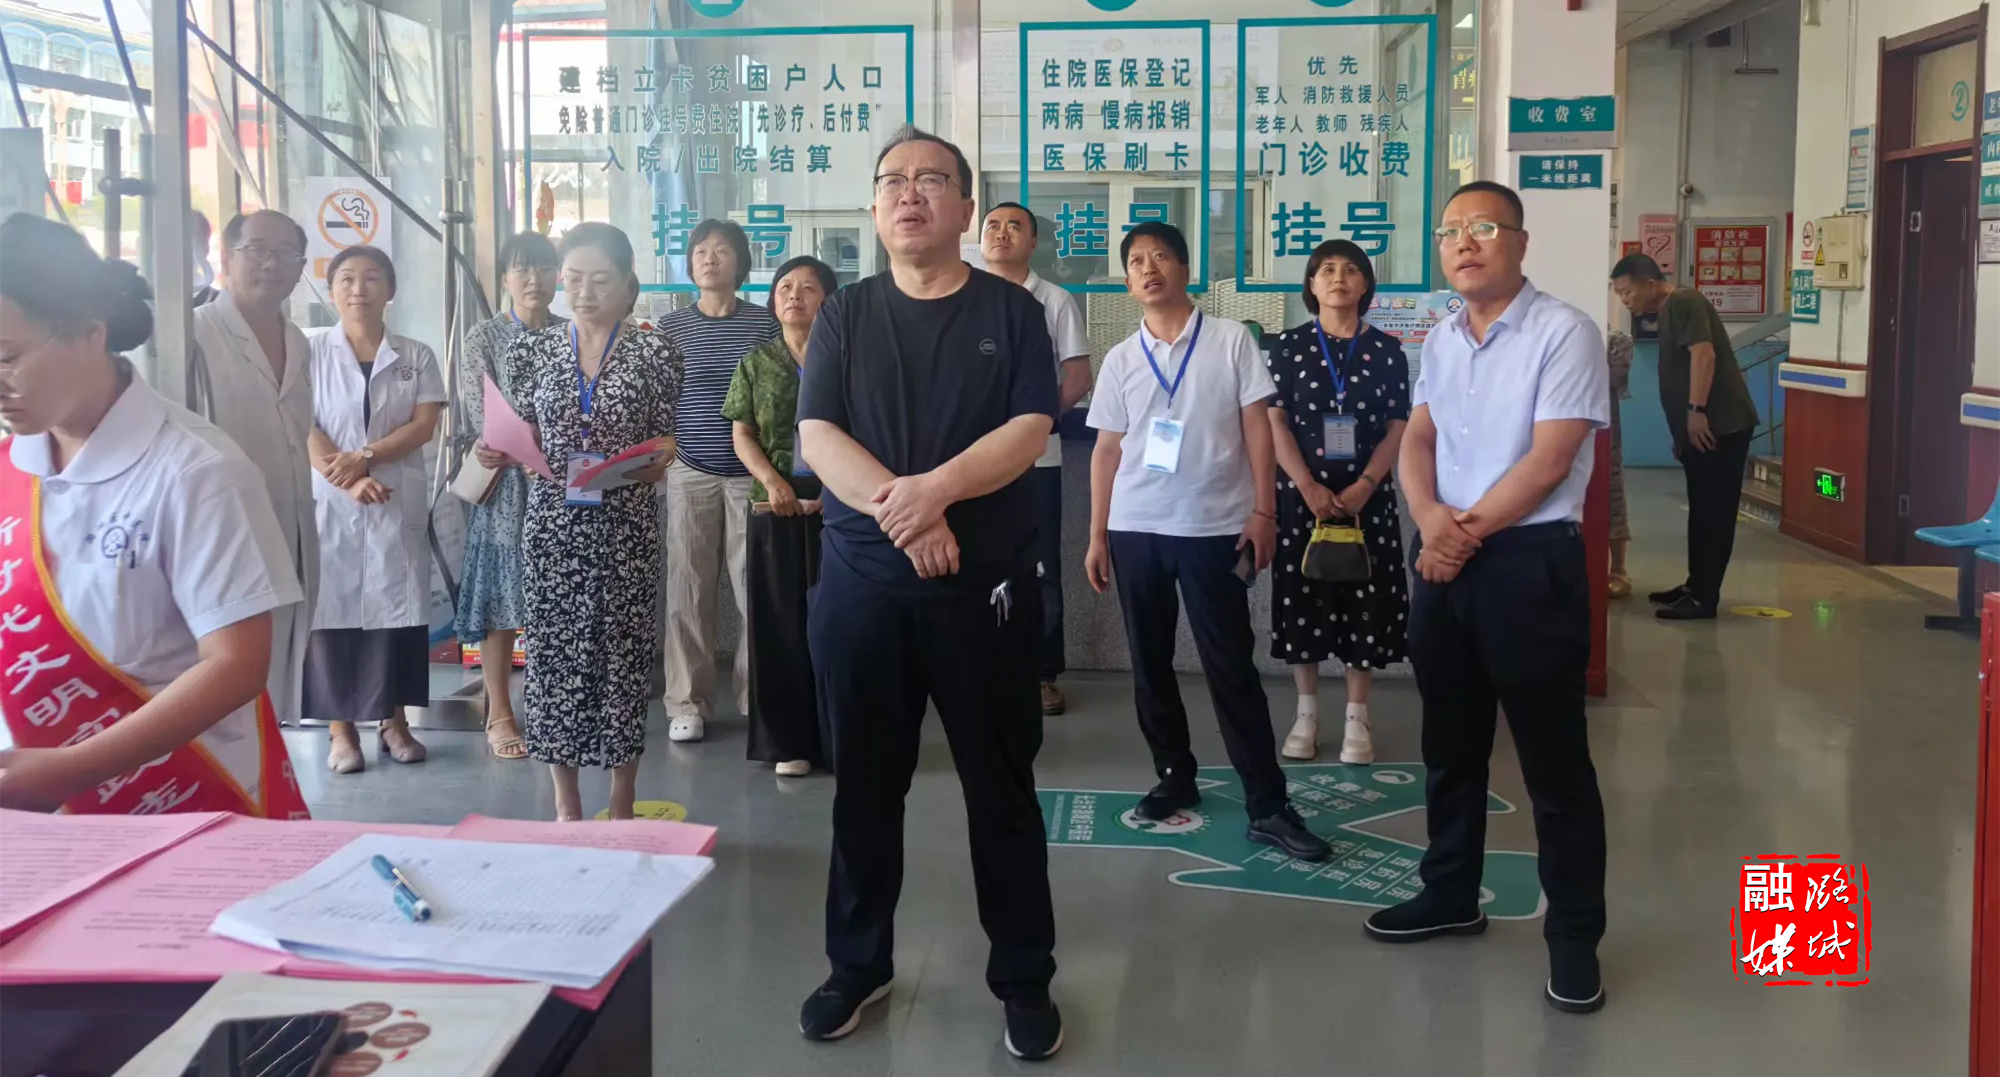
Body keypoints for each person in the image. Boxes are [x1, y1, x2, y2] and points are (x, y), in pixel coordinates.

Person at [795, 127, 1062, 1060]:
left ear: (965, 208)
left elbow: (1031, 426)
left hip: (982, 592)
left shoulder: (1012, 311)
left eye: (931, 180)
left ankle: (1024, 975)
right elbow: (818, 433)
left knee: (1002, 788)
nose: (910, 194)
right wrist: (909, 517)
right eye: (893, 182)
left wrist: (935, 492)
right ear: (874, 208)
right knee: (865, 788)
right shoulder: (845, 313)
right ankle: (856, 964)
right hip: (863, 589)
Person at [1363, 181, 1608, 1016]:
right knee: (1450, 742)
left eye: (1482, 228)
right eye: (1449, 232)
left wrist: (1457, 534)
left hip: (1527, 561)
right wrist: (1429, 520)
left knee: (1553, 762)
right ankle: (1450, 891)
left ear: (1519, 242)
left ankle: (1574, 936)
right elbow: (1419, 438)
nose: (1463, 243)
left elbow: (1549, 460)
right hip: (1443, 556)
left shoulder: (1564, 332)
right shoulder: (1440, 339)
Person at [0, 213, 308, 817]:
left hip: (183, 802)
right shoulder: (15, 465)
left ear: (89, 333)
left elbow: (236, 664)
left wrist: (75, 768)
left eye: (7, 356)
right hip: (44, 806)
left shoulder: (197, 471)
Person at [1081, 221, 1331, 864]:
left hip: (1213, 525)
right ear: (1127, 281)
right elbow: (1107, 450)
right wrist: (1097, 534)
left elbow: (1257, 428)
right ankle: (1174, 775)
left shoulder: (1229, 340)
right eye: (1136, 261)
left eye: (1161, 256)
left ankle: (1268, 805)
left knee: (1230, 666)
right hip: (1136, 526)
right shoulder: (1120, 358)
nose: (1148, 268)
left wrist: (1265, 511)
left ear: (1185, 268)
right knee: (1149, 663)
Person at [502, 222, 680, 821]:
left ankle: (622, 797)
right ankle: (566, 802)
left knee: (623, 658)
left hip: (626, 523)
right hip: (553, 525)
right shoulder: (531, 352)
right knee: (555, 658)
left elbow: (665, 441)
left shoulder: (655, 352)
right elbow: (521, 433)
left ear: (628, 284)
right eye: (573, 278)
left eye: (600, 280)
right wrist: (501, 448)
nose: (583, 291)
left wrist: (653, 460)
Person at [1264, 239, 1410, 766]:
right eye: (1326, 269)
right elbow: (1275, 420)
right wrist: (1306, 484)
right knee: (1301, 598)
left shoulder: (1388, 350)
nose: (1338, 278)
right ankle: (1306, 713)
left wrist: (1367, 484)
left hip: (1367, 498)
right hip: (1301, 496)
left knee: (1365, 600)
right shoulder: (1287, 347)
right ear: (1311, 284)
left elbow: (1399, 424)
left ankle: (1356, 718)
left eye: (1350, 269)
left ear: (1366, 283)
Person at [304, 245, 443, 774]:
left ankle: (394, 722)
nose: (358, 289)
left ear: (391, 291)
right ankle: (341, 733)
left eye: (371, 278)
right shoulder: (310, 353)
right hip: (332, 501)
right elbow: (302, 424)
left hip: (391, 497)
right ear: (331, 290)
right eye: (346, 279)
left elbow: (423, 425)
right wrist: (347, 480)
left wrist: (365, 458)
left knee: (395, 618)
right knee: (332, 613)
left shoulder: (415, 355)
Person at [188, 210, 317, 730]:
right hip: (222, 537)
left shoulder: (299, 341)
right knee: (226, 686)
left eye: (287, 254)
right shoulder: (196, 336)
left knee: (279, 673)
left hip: (292, 529)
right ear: (226, 256)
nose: (272, 263)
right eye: (258, 250)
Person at [658, 219, 780, 744]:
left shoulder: (764, 325)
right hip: (690, 470)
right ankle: (687, 702)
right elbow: (659, 398)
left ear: (741, 263)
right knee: (688, 588)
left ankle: (758, 697)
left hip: (752, 475)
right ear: (690, 263)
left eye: (722, 250)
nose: (710, 258)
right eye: (701, 251)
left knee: (757, 590)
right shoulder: (670, 328)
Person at [978, 202, 1092, 717]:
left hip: (1036, 459)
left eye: (1014, 226)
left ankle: (1042, 674)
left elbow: (1078, 376)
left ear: (1033, 242)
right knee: (975, 563)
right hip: (971, 460)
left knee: (1041, 567)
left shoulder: (1055, 300)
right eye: (992, 225)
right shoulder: (964, 294)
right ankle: (981, 668)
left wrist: (1037, 422)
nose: (1001, 233)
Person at [724, 255, 835, 777]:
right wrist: (773, 482)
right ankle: (788, 743)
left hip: (840, 504)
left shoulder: (846, 358)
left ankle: (840, 738)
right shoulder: (756, 361)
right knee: (779, 624)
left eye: (808, 288)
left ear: (828, 301)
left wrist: (836, 491)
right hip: (774, 503)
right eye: (785, 287)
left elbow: (867, 429)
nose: (794, 295)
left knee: (838, 621)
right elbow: (742, 433)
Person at [455, 231, 564, 760]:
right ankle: (499, 712)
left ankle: (551, 708)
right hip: (505, 487)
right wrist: (527, 438)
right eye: (522, 269)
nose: (533, 279)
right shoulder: (484, 336)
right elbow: (484, 413)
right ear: (504, 278)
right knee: (500, 600)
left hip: (560, 484)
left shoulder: (571, 333)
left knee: (556, 597)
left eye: (543, 267)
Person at [1610, 254, 1759, 620]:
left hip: (1719, 426)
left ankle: (1704, 598)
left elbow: (1703, 356)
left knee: (1714, 514)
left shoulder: (1685, 301)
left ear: (1649, 283)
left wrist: (1696, 411)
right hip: (1699, 430)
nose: (1625, 300)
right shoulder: (1667, 312)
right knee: (1701, 511)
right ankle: (1695, 585)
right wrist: (1681, 432)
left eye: (1627, 291)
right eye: (1619, 294)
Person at [1605, 330, 1633, 599]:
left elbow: (1616, 379)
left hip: (1605, 428)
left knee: (1612, 492)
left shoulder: (1617, 340)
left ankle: (1618, 568)